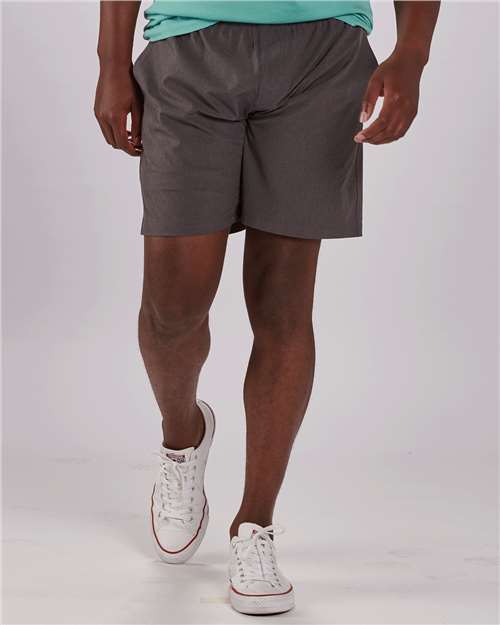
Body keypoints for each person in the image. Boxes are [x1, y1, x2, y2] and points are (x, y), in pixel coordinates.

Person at [94, 0, 440, 615]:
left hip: (322, 55)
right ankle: (183, 435)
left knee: (284, 304)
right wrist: (110, 62)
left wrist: (412, 53)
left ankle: (254, 524)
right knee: (173, 307)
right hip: (189, 45)